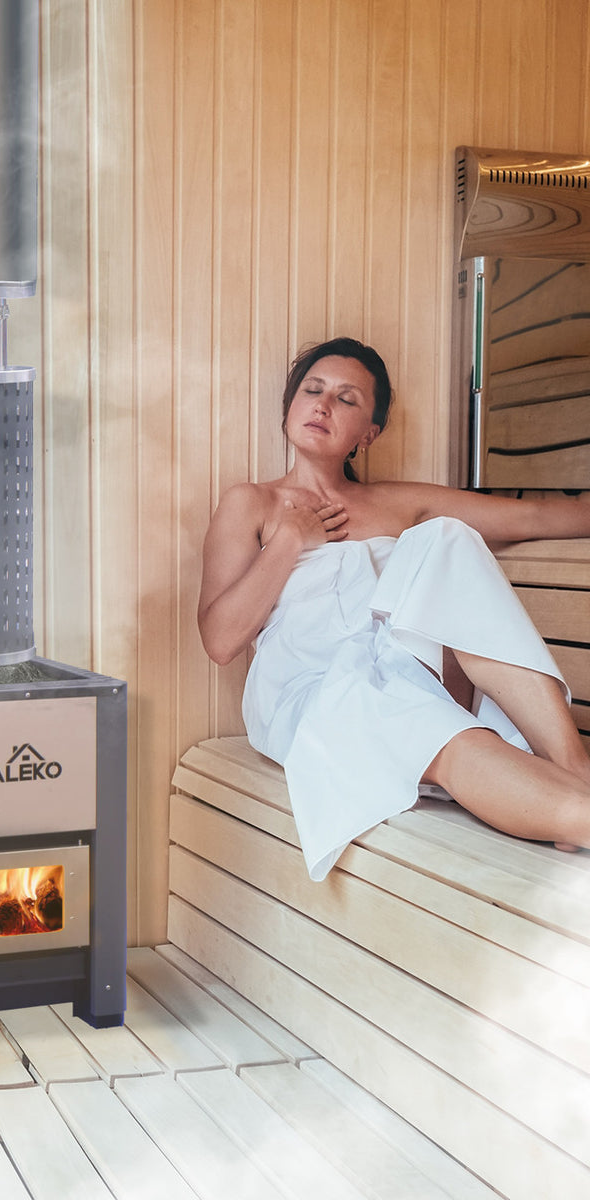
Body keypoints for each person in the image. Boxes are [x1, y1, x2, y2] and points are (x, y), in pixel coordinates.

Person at [198, 335, 590, 878]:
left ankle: (573, 766)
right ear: (290, 405)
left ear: (369, 433)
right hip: (314, 689)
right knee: (420, 719)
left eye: (347, 399)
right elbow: (220, 642)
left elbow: (537, 520)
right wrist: (290, 540)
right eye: (312, 390)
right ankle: (572, 808)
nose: (323, 405)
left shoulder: (400, 502)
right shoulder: (252, 504)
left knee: (446, 537)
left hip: (408, 668)